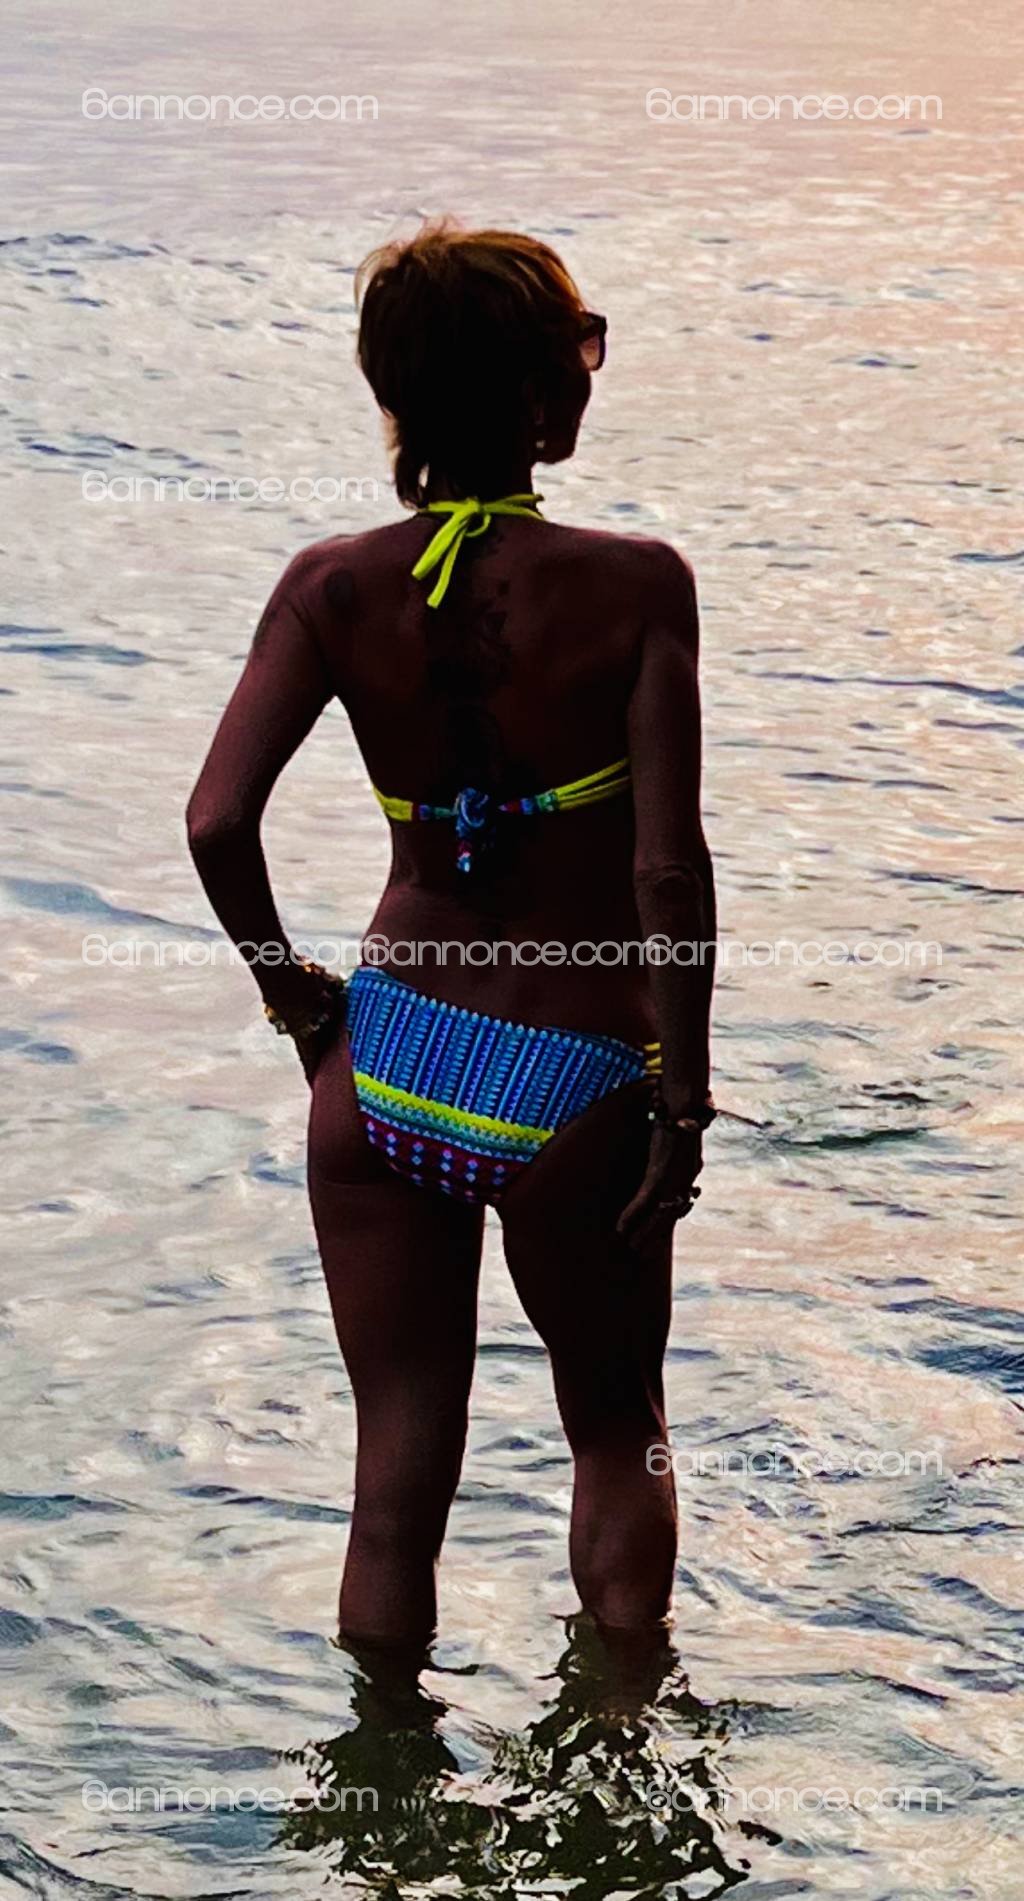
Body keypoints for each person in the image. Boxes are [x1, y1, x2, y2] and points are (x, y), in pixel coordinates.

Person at [187, 221, 717, 1647]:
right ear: (540, 391)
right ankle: (622, 1727)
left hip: (387, 1060)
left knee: (392, 1477)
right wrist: (680, 1096)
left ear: (398, 397)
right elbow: (668, 873)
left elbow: (217, 823)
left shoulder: (330, 586)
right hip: (577, 1077)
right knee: (619, 1427)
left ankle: (385, 1761)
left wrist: (295, 1000)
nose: (592, 372)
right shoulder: (639, 584)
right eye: (582, 349)